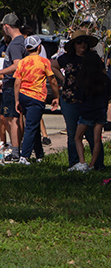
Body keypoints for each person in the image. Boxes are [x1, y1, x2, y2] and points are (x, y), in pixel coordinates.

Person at [52, 29, 105, 171]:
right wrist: (64, 80)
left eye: (85, 42)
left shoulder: (92, 58)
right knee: (72, 133)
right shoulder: (67, 58)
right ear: (74, 44)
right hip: (70, 100)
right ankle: (75, 163)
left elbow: (103, 75)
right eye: (79, 42)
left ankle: (97, 164)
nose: (83, 45)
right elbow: (54, 66)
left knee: (92, 134)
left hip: (89, 101)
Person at [14, 36, 59, 165]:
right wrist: (56, 96)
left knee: (33, 124)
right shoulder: (44, 62)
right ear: (39, 47)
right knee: (31, 127)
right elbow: (53, 81)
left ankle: (39, 155)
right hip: (36, 97)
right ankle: (24, 157)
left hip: (23, 95)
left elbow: (17, 82)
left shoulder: (22, 62)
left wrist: (17, 99)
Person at [0, 13, 25, 162]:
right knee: (12, 118)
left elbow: (17, 65)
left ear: (7, 26)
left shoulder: (16, 44)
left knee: (12, 119)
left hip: (12, 87)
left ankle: (16, 151)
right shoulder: (20, 41)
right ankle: (17, 149)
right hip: (10, 84)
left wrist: (0, 72)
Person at [71, 51, 110, 172]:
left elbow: (79, 96)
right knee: (97, 139)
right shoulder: (104, 79)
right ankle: (93, 165)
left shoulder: (84, 79)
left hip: (87, 112)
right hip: (100, 112)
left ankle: (82, 162)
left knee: (77, 137)